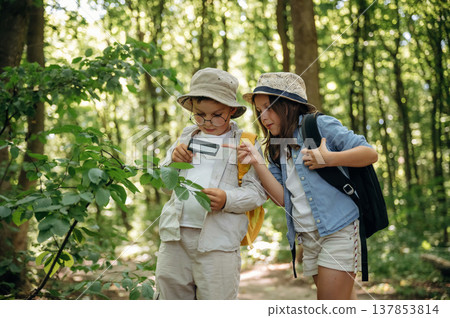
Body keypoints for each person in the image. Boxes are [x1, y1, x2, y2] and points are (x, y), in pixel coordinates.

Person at [234, 72, 378, 300]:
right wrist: (257, 161)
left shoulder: (319, 125)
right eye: (259, 111)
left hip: (338, 228)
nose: (263, 117)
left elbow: (370, 153)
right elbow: (282, 199)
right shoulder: (275, 146)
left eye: (269, 108)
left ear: (288, 105)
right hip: (308, 236)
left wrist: (328, 159)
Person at [154, 68, 266, 300]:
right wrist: (172, 164)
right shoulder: (185, 139)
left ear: (232, 110)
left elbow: (258, 191)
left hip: (219, 243)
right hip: (175, 238)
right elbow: (165, 186)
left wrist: (228, 199)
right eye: (199, 114)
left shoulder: (245, 144)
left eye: (216, 115)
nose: (207, 121)